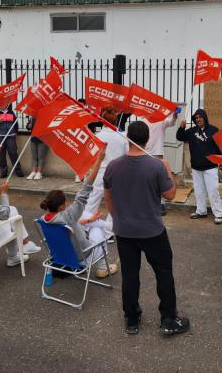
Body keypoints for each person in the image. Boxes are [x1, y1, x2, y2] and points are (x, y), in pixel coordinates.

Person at [104, 121, 190, 336]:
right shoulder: (156, 166)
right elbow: (170, 195)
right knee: (163, 272)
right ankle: (169, 318)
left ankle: (131, 318)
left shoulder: (113, 166)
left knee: (130, 275)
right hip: (152, 230)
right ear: (147, 139)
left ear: (127, 138)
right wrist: (169, 171)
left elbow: (108, 197)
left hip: (124, 230)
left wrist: (119, 219)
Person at [79, 106, 128, 278]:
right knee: (115, 206)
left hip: (99, 173)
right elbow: (126, 157)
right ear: (115, 119)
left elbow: (90, 156)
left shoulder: (96, 136)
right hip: (117, 174)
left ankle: (86, 228)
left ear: (101, 119)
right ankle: (107, 233)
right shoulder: (121, 138)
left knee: (91, 202)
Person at [40, 149, 108, 263]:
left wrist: (88, 220)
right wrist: (99, 161)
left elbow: (70, 226)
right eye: (65, 202)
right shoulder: (68, 216)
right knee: (97, 229)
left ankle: (104, 224)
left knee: (87, 218)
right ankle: (102, 268)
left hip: (62, 256)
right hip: (81, 257)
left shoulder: (43, 220)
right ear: (61, 207)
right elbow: (85, 190)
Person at [176, 108, 222, 224]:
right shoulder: (192, 131)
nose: (198, 119)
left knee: (213, 191)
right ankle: (201, 211)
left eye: (200, 117)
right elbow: (180, 137)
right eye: (196, 118)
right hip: (196, 167)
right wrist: (181, 127)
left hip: (210, 166)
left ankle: (218, 213)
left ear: (205, 117)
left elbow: (219, 147)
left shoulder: (214, 130)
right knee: (199, 191)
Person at [142, 109, 179, 214]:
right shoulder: (142, 121)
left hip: (157, 154)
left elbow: (172, 121)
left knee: (159, 179)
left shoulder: (161, 121)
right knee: (146, 179)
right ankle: (147, 203)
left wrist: (175, 114)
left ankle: (161, 203)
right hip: (144, 153)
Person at [0, 102, 24, 178]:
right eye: (1, 103)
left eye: (5, 103)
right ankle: (3, 171)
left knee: (13, 153)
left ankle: (18, 170)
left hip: (10, 136)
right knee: (1, 154)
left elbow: (15, 123)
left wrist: (16, 132)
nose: (3, 105)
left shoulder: (11, 112)